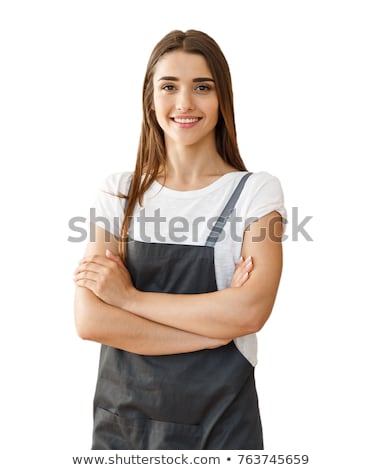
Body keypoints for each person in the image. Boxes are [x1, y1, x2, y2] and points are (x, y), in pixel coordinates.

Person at [73, 29, 286, 450]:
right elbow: (91, 320)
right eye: (169, 86)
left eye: (202, 87)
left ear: (222, 97)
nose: (184, 103)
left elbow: (250, 311)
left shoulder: (256, 193)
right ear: (150, 98)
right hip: (125, 432)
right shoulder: (119, 191)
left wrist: (128, 298)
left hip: (222, 431)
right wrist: (212, 331)